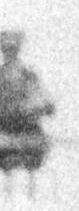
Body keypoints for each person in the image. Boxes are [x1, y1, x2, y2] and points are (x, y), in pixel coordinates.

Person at [0, 29, 55, 172]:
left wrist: (42, 107)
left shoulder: (28, 75)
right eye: (6, 49)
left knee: (35, 151)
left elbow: (42, 99)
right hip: (4, 128)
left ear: (17, 50)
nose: (9, 53)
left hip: (27, 129)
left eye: (13, 49)